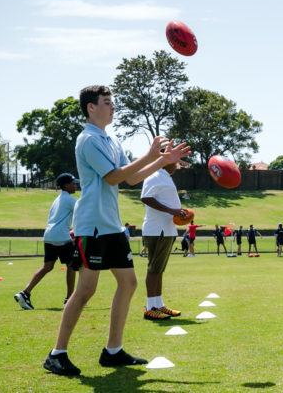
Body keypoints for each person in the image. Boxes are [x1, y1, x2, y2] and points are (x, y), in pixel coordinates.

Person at [43, 84, 190, 376]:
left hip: (111, 225)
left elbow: (131, 178)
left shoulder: (111, 140)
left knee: (129, 283)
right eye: (107, 102)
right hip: (92, 227)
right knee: (86, 290)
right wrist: (151, 156)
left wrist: (162, 160)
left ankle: (113, 350)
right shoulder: (87, 139)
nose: (113, 107)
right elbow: (112, 177)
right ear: (91, 107)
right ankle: (57, 354)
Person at [15, 173, 79, 311]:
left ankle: (25, 293)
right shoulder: (70, 200)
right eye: (73, 183)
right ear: (66, 185)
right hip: (61, 236)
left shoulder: (57, 199)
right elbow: (83, 212)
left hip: (49, 235)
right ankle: (69, 299)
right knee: (72, 265)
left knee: (47, 267)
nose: (75, 185)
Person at [139, 160, 184, 321]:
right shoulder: (154, 175)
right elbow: (145, 197)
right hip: (157, 229)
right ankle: (150, 308)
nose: (177, 165)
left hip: (167, 229)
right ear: (165, 161)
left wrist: (178, 212)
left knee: (159, 269)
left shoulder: (165, 176)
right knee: (154, 269)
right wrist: (172, 210)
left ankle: (158, 305)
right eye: (174, 162)